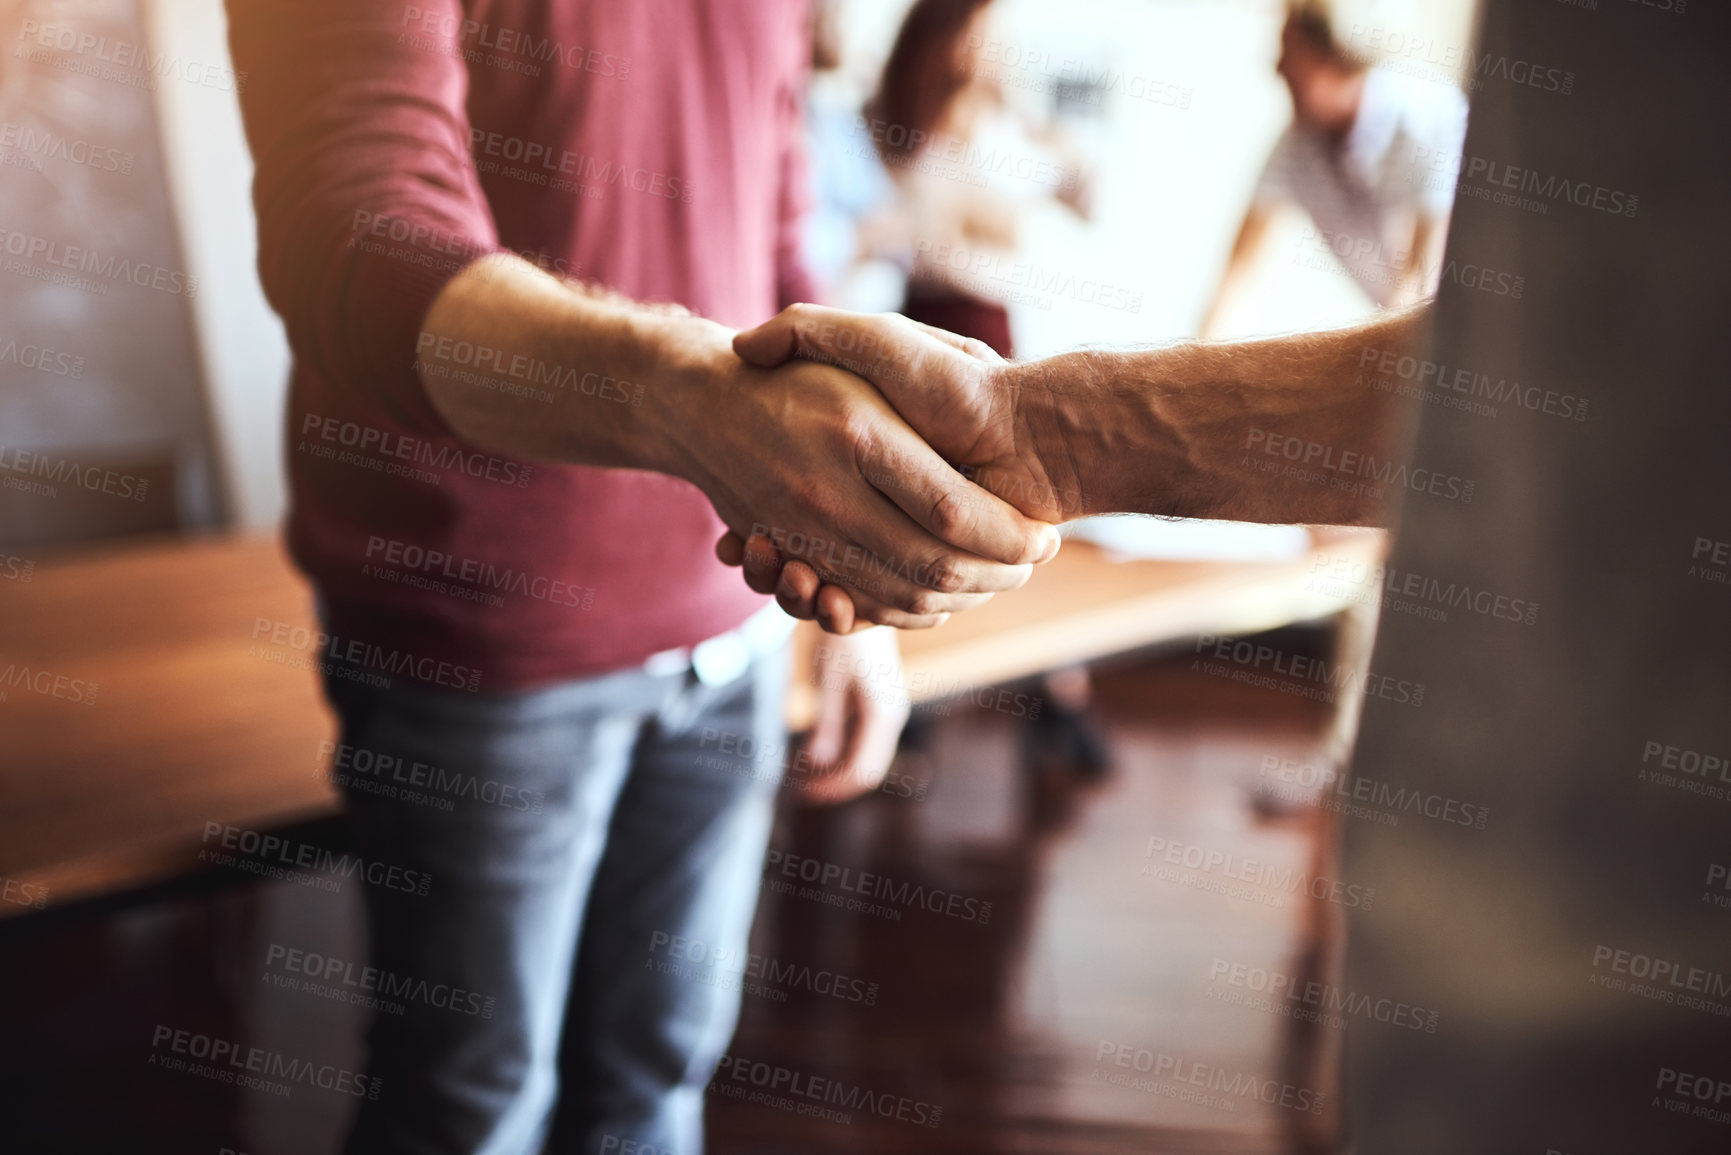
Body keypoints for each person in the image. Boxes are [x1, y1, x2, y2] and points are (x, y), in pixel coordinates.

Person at [226, 2, 1059, 1152]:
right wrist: (677, 393)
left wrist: (847, 594)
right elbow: (356, 224)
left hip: (738, 617)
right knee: (470, 1101)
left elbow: (770, 228)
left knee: (660, 1069)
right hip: (488, 624)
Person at [1197, 0, 1466, 336]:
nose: (1277, 67)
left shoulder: (1433, 120)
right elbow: (1234, 280)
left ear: (1334, 60)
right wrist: (1196, 375)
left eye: (1289, 49)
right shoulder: (1295, 148)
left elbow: (1418, 284)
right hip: (1402, 344)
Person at [868, 0, 1093, 358]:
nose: (1003, 49)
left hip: (984, 325)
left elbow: (1084, 199)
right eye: (987, 35)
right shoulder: (919, 135)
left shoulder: (1006, 132)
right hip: (932, 319)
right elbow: (921, 246)